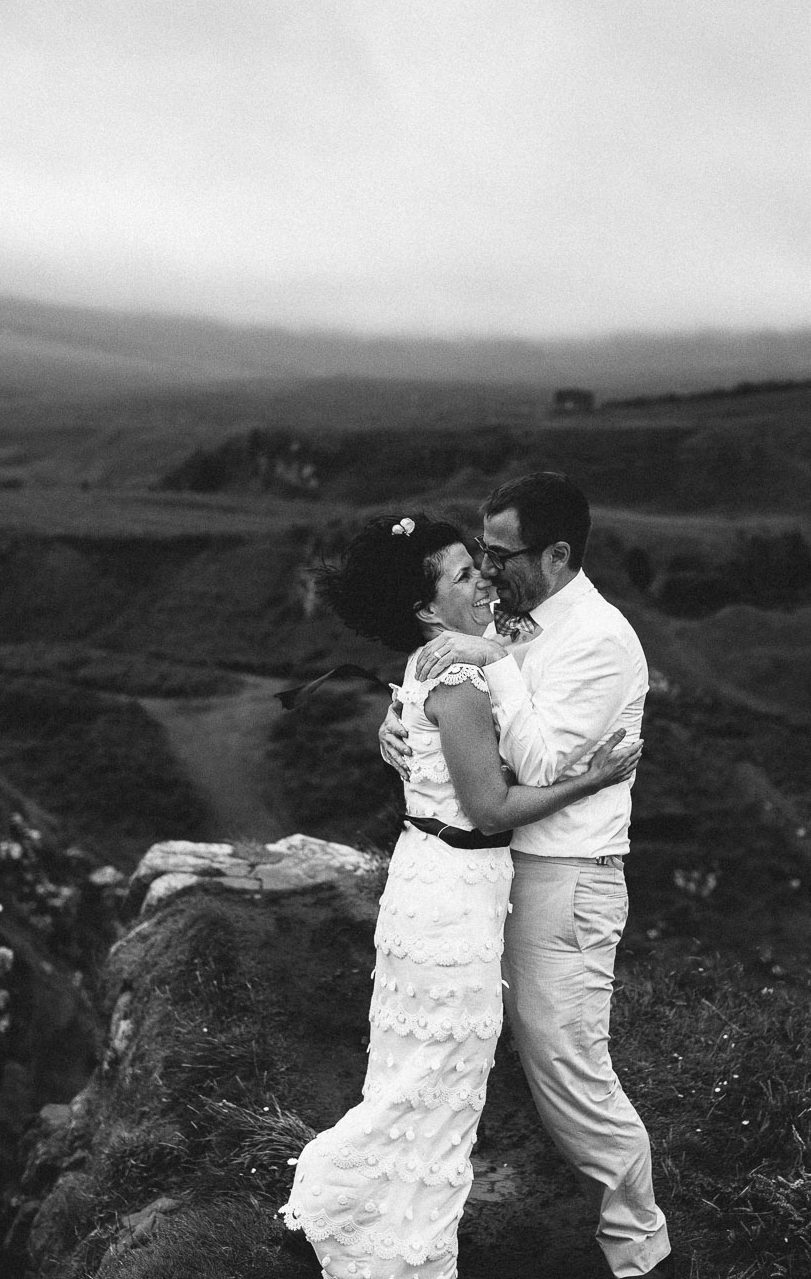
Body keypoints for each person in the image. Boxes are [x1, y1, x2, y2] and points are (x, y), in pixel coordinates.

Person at [281, 512, 641, 1279]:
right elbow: (493, 809)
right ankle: (383, 1238)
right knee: (438, 1075)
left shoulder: (429, 663)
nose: (484, 581)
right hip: (455, 896)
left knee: (417, 1068)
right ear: (424, 608)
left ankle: (365, 1218)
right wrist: (597, 779)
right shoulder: (460, 678)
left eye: (481, 566)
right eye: (464, 575)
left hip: (431, 882)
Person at [386, 472, 671, 1278]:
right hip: (503, 871)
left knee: (567, 1062)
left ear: (556, 553)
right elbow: (464, 706)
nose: (487, 567)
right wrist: (405, 719)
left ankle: (641, 1251)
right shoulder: (517, 620)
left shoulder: (601, 642)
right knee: (498, 1045)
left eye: (500, 553)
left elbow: (539, 757)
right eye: (481, 550)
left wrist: (487, 661)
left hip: (568, 876)